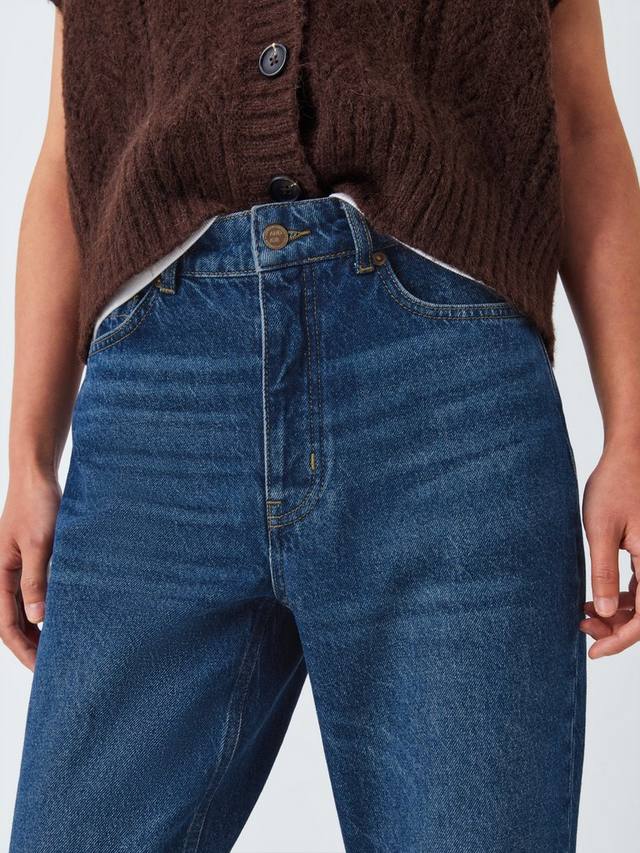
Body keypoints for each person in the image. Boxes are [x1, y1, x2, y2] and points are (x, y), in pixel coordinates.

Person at [2, 0, 639, 850]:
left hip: (444, 404)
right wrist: (28, 456)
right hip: (156, 418)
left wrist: (633, 431)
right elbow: (70, 144)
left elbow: (581, 124)